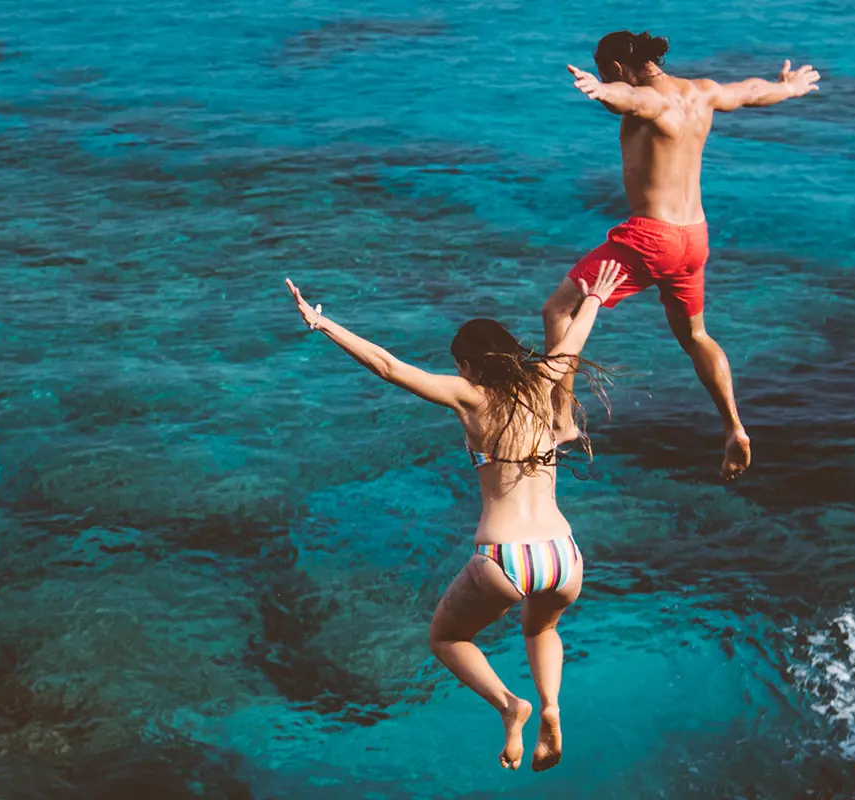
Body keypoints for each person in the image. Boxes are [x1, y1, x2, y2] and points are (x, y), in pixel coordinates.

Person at [286, 261, 631, 771]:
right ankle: (553, 707)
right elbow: (573, 339)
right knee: (540, 630)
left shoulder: (470, 398)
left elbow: (389, 367)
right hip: (564, 556)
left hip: (506, 556)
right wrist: (596, 299)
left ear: (469, 366)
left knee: (446, 639)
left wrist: (323, 323)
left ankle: (512, 707)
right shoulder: (542, 379)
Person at [544, 30, 820, 482]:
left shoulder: (646, 99)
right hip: (694, 238)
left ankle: (563, 420)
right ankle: (733, 426)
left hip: (651, 237)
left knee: (558, 308)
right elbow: (750, 91)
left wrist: (601, 94)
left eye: (602, 72)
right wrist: (788, 87)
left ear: (616, 68)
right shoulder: (702, 92)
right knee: (696, 337)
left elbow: (630, 103)